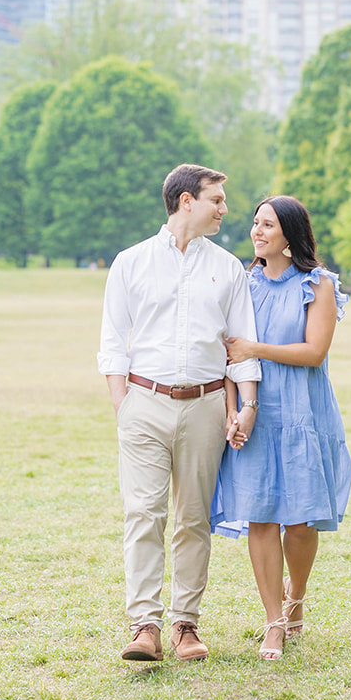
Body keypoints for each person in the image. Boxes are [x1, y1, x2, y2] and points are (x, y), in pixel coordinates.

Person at [97, 164, 262, 664]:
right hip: (143, 405)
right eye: (217, 199)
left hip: (208, 406)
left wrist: (247, 404)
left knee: (193, 518)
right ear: (187, 201)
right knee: (143, 513)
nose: (225, 209)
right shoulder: (130, 263)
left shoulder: (228, 268)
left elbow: (240, 345)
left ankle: (185, 624)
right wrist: (123, 405)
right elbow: (112, 342)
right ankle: (144, 625)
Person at [213, 195, 351, 661]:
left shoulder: (318, 285)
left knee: (299, 520)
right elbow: (229, 355)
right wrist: (233, 408)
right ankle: (273, 618)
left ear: (289, 235)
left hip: (301, 413)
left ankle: (298, 595)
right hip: (254, 412)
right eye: (254, 223)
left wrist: (256, 347)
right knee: (260, 514)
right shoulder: (243, 283)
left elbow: (313, 352)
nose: (256, 231)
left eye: (267, 224)